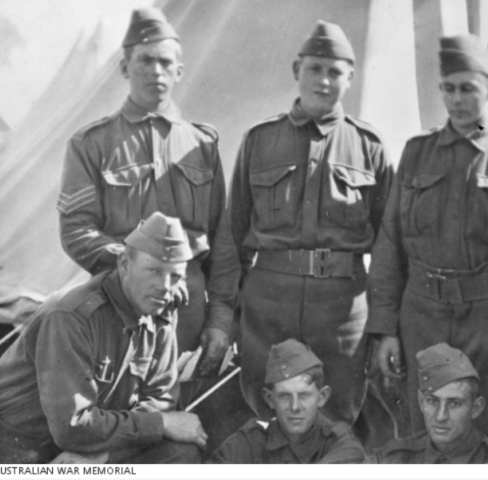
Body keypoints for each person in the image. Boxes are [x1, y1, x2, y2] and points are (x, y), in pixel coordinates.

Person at [366, 34, 488, 458]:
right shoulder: (416, 153)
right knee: (425, 431)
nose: (457, 99)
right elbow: (390, 245)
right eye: (449, 88)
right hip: (422, 316)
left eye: (468, 88)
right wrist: (385, 328)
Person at [57, 8, 239, 381]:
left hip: (186, 306)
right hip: (118, 299)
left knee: (178, 409)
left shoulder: (202, 144)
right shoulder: (92, 143)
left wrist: (219, 319)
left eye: (165, 62)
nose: (155, 71)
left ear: (179, 71)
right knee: (118, 404)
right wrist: (134, 267)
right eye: (145, 61)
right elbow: (76, 229)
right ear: (125, 67)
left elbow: (223, 240)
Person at [229, 20, 394, 425]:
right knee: (269, 413)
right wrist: (231, 313)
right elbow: (233, 237)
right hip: (269, 303)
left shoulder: (369, 147)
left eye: (335, 71)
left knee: (335, 417)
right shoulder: (259, 139)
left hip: (340, 310)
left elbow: (389, 249)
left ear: (351, 78)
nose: (324, 80)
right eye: (315, 69)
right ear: (296, 71)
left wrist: (382, 322)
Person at [0, 212, 207, 464]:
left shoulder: (158, 312)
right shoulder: (72, 315)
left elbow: (160, 398)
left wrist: (104, 454)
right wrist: (159, 424)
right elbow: (72, 425)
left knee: (181, 454)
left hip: (87, 445)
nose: (164, 286)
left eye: (175, 276)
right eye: (153, 270)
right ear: (124, 264)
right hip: (20, 446)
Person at [212, 339, 364, 463]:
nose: (295, 407)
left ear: (322, 396)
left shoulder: (337, 440)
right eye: (284, 396)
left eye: (304, 395)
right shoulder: (250, 441)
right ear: (269, 399)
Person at [368, 343, 488, 464]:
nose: (440, 416)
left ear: (476, 408)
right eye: (432, 401)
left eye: (454, 404)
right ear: (420, 401)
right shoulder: (395, 459)